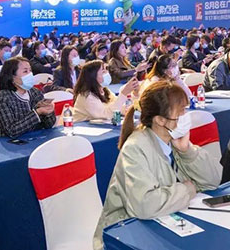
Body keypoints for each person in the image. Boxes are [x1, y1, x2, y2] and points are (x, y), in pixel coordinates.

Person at [93, 81, 222, 248]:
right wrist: (187, 190)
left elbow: (213, 180)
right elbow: (145, 205)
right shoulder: (135, 148)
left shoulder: (173, 140)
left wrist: (187, 152)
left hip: (165, 220)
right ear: (160, 120)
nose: (186, 116)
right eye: (181, 111)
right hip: (125, 234)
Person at [0, 57, 56, 137]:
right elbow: (11, 130)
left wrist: (49, 112)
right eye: (25, 71)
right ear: (12, 77)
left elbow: (49, 125)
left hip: (36, 139)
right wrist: (37, 113)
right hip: (10, 143)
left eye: (30, 71)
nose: (30, 74)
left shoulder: (35, 92)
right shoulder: (2, 98)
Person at [72, 60, 139, 122]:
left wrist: (135, 94)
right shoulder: (86, 95)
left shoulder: (105, 91)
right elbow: (107, 114)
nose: (107, 73)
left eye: (106, 70)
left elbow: (118, 107)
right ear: (93, 76)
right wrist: (123, 93)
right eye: (103, 72)